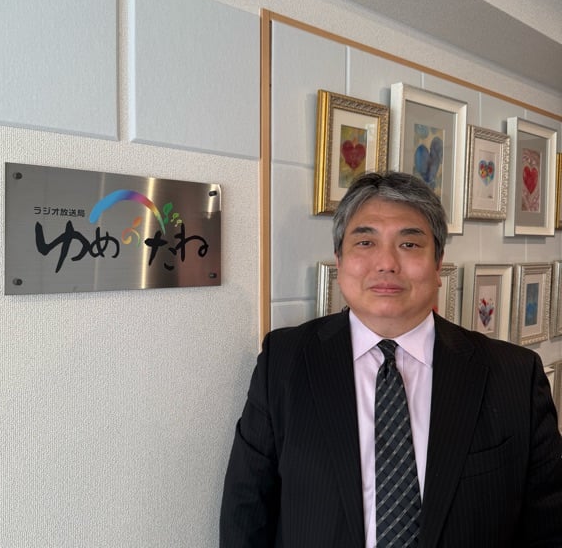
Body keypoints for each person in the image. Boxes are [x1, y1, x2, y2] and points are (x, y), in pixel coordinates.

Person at [219, 171, 562, 547]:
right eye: (365, 242)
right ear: (339, 260)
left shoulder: (514, 376)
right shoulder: (284, 363)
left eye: (409, 244)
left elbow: (548, 527)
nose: (386, 263)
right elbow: (245, 515)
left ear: (438, 263)